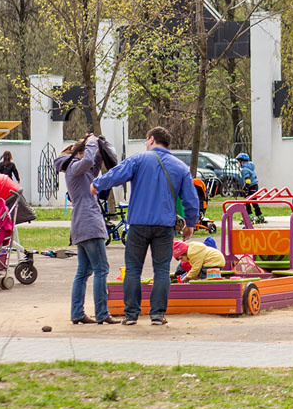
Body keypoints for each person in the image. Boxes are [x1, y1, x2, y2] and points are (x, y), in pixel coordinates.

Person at [91, 126, 200, 327]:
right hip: (164, 227)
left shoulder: (138, 160)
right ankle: (157, 315)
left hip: (138, 225)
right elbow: (191, 200)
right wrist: (191, 223)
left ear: (151, 140)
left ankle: (131, 315)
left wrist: (97, 184)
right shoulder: (180, 167)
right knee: (161, 270)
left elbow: (116, 174)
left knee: (133, 269)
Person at [59, 134, 117, 325]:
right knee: (102, 269)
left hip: (81, 224)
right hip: (89, 223)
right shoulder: (74, 168)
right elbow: (89, 160)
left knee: (83, 271)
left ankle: (77, 313)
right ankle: (102, 313)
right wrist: (91, 144)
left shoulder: (82, 172)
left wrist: (100, 143)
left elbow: (96, 162)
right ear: (80, 153)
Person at [237, 152, 263, 221]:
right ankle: (260, 216)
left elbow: (247, 180)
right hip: (255, 186)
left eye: (238, 162)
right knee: (254, 202)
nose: (238, 163)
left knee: (247, 201)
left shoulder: (244, 169)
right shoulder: (250, 167)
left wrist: (246, 188)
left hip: (250, 186)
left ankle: (249, 216)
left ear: (241, 162)